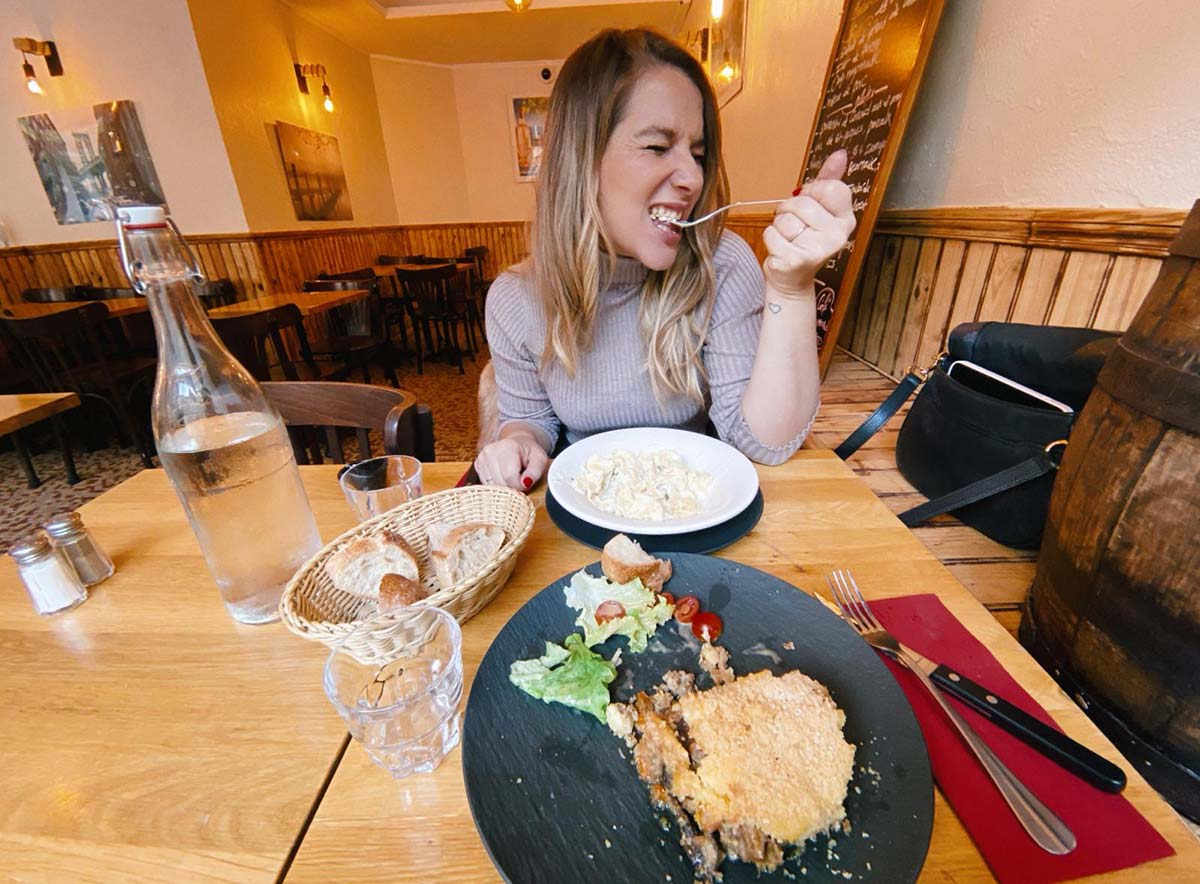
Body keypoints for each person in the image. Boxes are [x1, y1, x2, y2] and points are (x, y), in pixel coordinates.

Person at [475, 27, 855, 490]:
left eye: (698, 153)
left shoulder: (725, 263)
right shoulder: (514, 299)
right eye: (657, 146)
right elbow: (531, 421)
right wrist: (519, 442)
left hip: (695, 506)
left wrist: (792, 286)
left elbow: (767, 443)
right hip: (583, 507)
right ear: (581, 159)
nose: (693, 178)